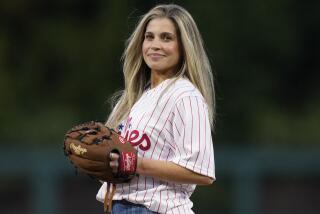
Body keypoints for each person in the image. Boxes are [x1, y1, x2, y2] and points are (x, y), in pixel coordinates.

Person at [96, 4, 216, 214]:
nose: (155, 45)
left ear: (184, 46)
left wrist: (136, 163)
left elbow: (201, 171)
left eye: (166, 38)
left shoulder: (185, 96)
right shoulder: (136, 98)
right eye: (149, 37)